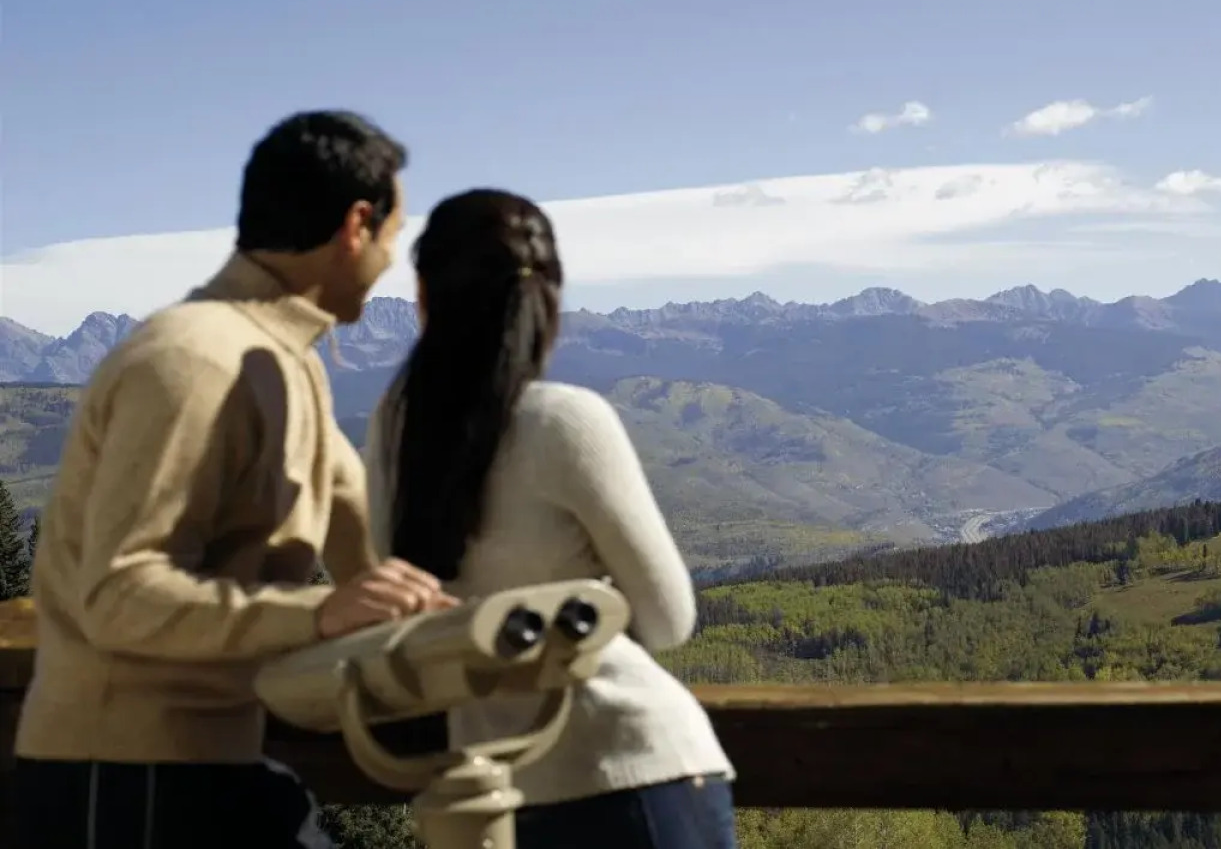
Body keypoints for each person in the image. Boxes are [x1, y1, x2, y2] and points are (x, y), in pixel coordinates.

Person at [10, 111, 458, 849]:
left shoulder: (290, 367)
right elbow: (119, 595)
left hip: (204, 772)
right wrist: (320, 615)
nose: (391, 263)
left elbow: (368, 559)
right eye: (392, 238)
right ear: (355, 225)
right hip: (124, 783)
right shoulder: (194, 360)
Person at [363, 188, 738, 849]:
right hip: (636, 768)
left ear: (423, 299)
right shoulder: (565, 421)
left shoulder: (394, 429)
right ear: (545, 301)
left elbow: (403, 613)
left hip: (498, 793)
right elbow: (669, 619)